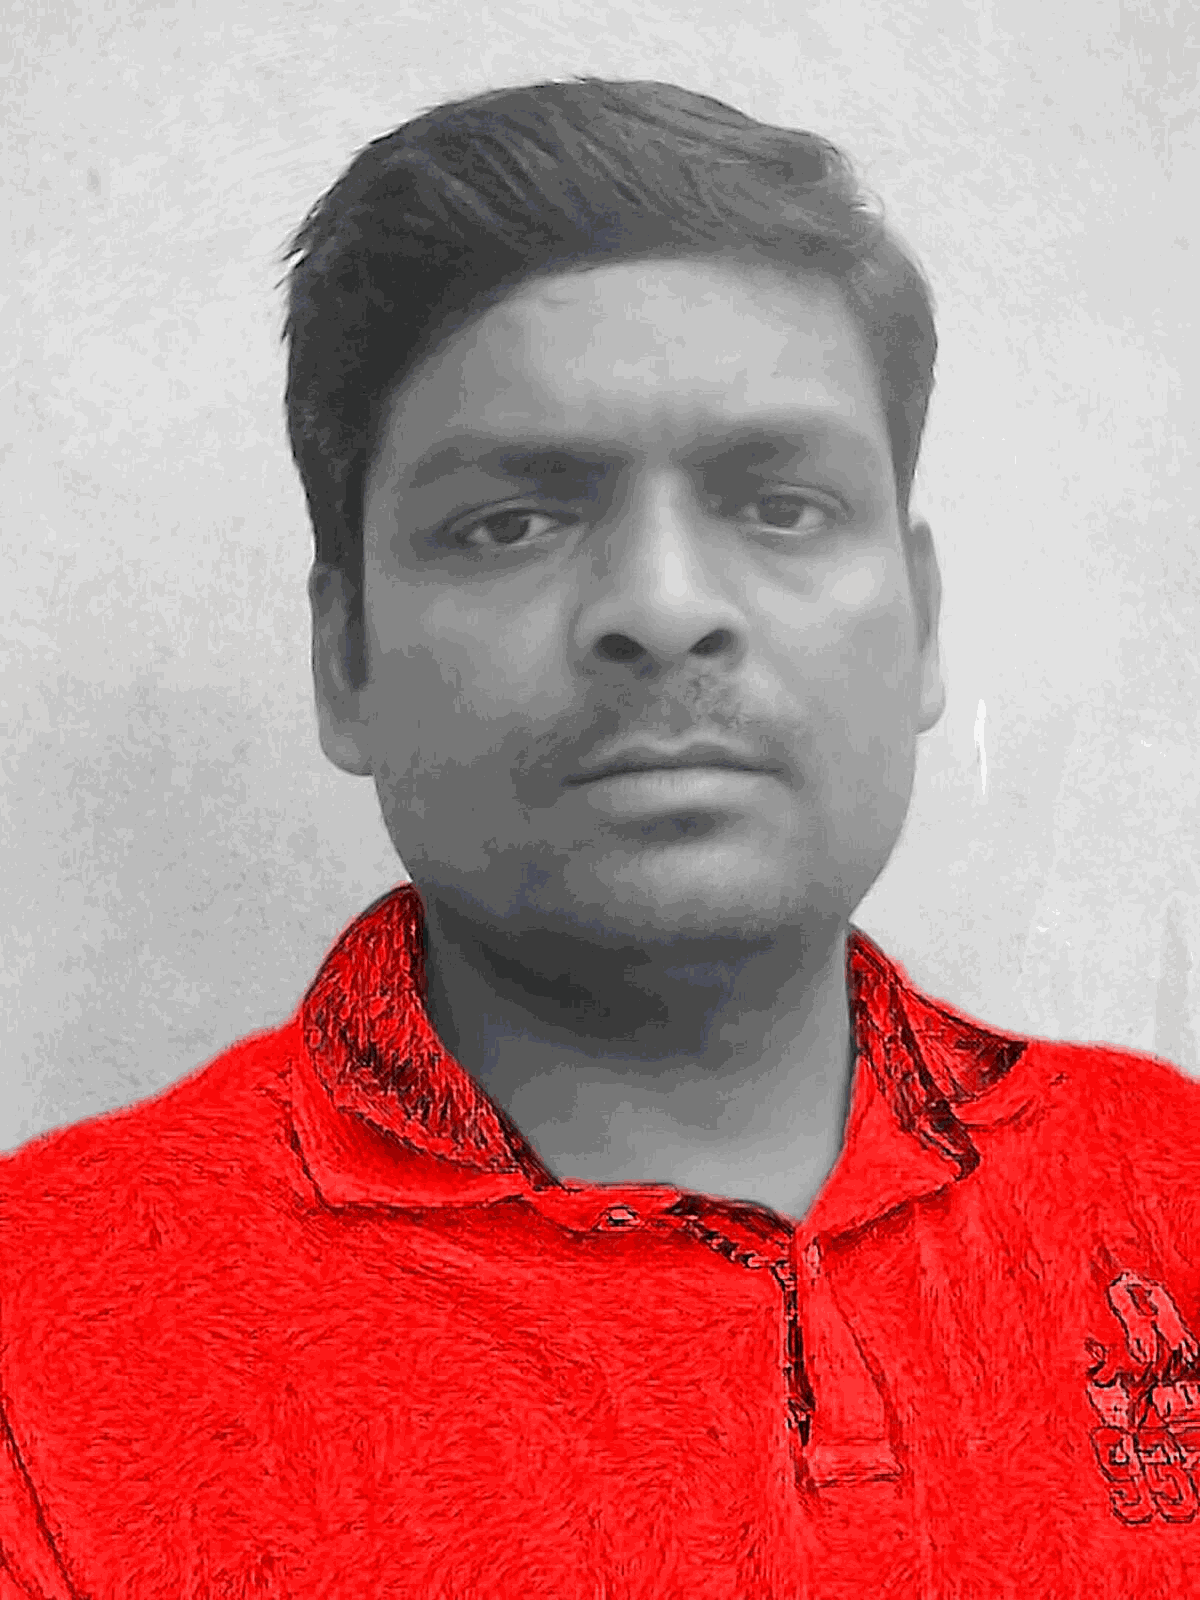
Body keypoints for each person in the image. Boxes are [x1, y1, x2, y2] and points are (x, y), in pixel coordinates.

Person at [2, 77, 1198, 1600]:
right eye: (512, 521)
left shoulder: (1167, 1183)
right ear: (345, 658)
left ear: (921, 627)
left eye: (780, 505)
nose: (663, 605)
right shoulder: (40, 1346)